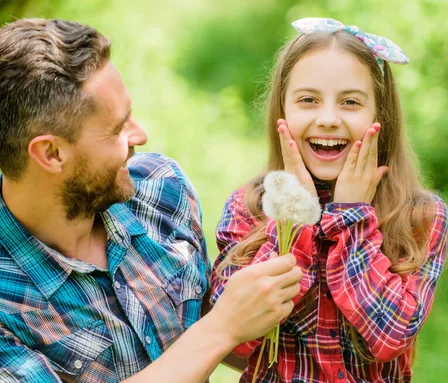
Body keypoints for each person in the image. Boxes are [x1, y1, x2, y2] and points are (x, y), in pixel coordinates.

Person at [0, 18, 302, 383]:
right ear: (51, 153)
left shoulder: (162, 190)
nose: (140, 135)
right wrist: (221, 327)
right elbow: (217, 332)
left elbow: (236, 344)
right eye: (117, 128)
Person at [211, 17, 448, 383]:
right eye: (308, 100)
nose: (327, 119)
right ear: (282, 112)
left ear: (380, 116)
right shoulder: (249, 207)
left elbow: (391, 337)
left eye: (351, 102)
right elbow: (230, 338)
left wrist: (351, 218)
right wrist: (294, 216)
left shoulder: (419, 215)